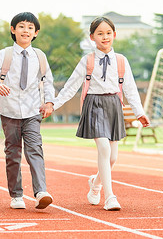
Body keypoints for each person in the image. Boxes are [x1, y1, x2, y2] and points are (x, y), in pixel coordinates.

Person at [43, 16, 150, 211]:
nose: (105, 37)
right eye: (100, 33)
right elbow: (70, 87)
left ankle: (96, 184)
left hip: (114, 105)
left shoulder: (121, 61)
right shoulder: (87, 61)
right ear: (92, 37)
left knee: (113, 157)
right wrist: (53, 105)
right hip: (94, 104)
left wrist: (139, 112)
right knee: (103, 147)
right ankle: (110, 197)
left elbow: (131, 89)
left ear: (114, 35)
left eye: (108, 33)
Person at [0, 12, 55, 210]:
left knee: (35, 149)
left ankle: (41, 192)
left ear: (36, 33)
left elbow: (47, 81)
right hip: (9, 111)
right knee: (13, 153)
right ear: (13, 30)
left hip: (32, 111)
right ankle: (16, 195)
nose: (26, 30)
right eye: (21, 26)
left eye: (30, 27)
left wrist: (49, 102)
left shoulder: (39, 56)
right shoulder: (4, 54)